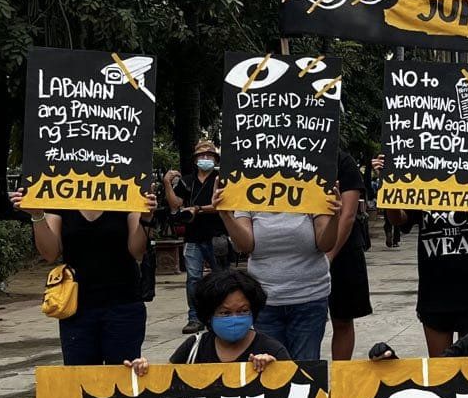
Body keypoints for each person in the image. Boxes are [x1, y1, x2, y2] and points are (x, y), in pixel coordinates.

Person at [10, 186, 155, 365]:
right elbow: (50, 253)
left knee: (122, 376)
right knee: (79, 378)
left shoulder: (128, 190)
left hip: (123, 304)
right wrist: (37, 214)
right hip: (76, 307)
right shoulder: (60, 193)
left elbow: (137, 251)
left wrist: (146, 218)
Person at [385, 169, 468, 356]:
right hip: (434, 293)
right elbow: (398, 219)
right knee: (440, 367)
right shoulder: (422, 183)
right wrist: (388, 185)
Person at [217, 185, 339, 360]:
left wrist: (334, 216)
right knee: (269, 369)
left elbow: (325, 244)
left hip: (309, 299)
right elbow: (245, 246)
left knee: (305, 367)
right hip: (266, 301)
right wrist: (226, 215)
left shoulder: (313, 188)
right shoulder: (249, 191)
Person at [124, 269, 291, 375]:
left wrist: (275, 370)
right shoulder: (193, 348)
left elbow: (293, 393)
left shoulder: (272, 350)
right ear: (209, 315)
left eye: (243, 311)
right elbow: (165, 382)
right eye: (225, 313)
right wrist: (144, 371)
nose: (234, 318)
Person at [162, 139, 227, 332]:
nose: (205, 158)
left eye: (209, 155)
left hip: (217, 235)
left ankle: (222, 314)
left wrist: (197, 209)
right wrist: (167, 183)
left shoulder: (221, 179)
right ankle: (195, 317)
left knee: (222, 279)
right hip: (193, 237)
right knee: (193, 279)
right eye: (201, 155)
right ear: (196, 159)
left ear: (215, 159)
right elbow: (175, 204)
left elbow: (222, 205)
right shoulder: (187, 181)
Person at [327, 150, 374, 360]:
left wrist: (329, 256)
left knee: (343, 319)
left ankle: (340, 372)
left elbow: (348, 214)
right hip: (302, 252)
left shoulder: (343, 161)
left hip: (343, 252)